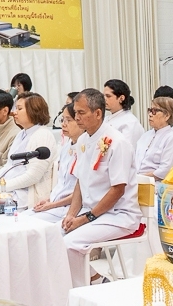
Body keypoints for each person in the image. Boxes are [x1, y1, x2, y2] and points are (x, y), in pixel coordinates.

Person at [60, 89, 141, 281]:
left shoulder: (117, 142)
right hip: (93, 212)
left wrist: (85, 218)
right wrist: (71, 214)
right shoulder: (84, 139)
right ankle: (81, 283)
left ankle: (81, 290)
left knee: (69, 242)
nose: (76, 117)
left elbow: (118, 190)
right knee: (51, 236)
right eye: (75, 112)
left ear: (97, 113)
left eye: (81, 113)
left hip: (119, 215)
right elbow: (80, 181)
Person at [0, 93, 58, 210]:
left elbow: (33, 176)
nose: (14, 112)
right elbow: (9, 165)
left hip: (28, 195)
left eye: (19, 109)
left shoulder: (43, 135)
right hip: (10, 189)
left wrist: (0, 187)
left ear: (33, 111)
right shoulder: (22, 134)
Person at [31, 104, 82, 214]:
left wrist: (52, 204)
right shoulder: (66, 147)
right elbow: (62, 185)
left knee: (29, 223)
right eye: (62, 119)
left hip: (71, 208)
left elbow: (80, 192)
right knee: (24, 217)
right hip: (56, 204)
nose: (63, 124)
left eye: (68, 120)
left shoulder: (85, 149)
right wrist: (48, 200)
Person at [136, 95, 173, 177]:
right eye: (150, 110)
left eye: (154, 111)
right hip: (137, 180)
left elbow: (166, 169)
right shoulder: (145, 135)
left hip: (156, 184)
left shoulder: (172, 138)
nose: (150, 114)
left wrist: (141, 178)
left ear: (167, 116)